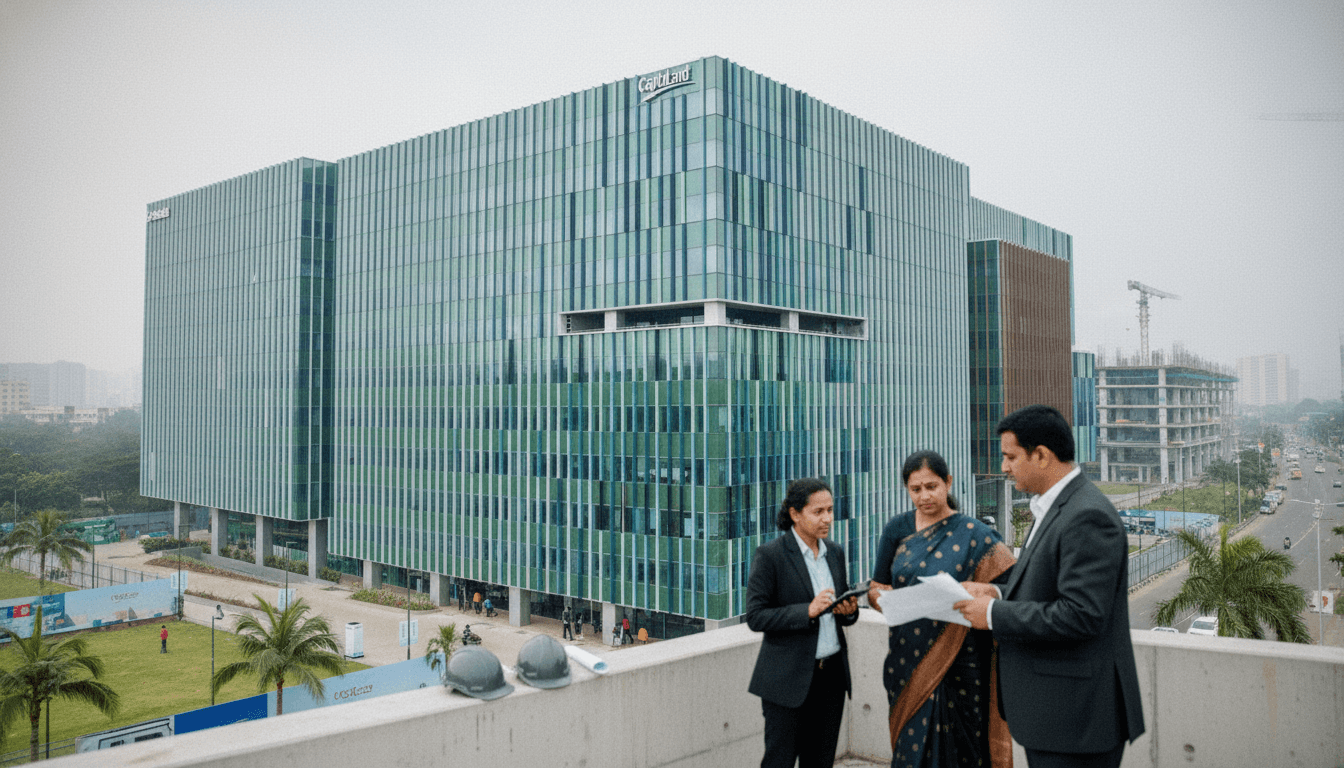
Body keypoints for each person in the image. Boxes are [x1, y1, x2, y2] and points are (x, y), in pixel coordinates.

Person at [955, 405, 1145, 768]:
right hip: (1055, 715)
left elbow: (1081, 615)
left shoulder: (1087, 516)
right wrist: (995, 593)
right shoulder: (1055, 507)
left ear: (1041, 455)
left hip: (1076, 719)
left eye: (1010, 457)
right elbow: (1046, 589)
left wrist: (993, 614)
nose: (1003, 468)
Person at [867, 450, 1016, 767]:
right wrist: (881, 599)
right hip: (908, 660)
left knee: (963, 751)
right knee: (911, 752)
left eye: (931, 487)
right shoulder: (897, 530)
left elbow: (1017, 588)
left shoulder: (977, 535)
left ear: (948, 482)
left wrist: (987, 589)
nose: (924, 496)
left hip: (963, 662)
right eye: (915, 489)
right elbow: (877, 587)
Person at [745, 478, 859, 768]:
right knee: (779, 760)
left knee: (820, 762)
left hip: (831, 677)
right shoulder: (771, 555)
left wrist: (848, 610)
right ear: (795, 514)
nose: (827, 518)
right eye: (818, 511)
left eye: (830, 510)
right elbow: (756, 616)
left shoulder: (835, 552)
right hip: (787, 680)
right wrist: (806, 611)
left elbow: (843, 615)